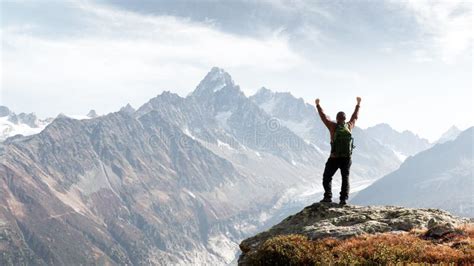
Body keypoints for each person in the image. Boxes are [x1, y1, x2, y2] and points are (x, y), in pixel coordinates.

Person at [315, 97, 361, 206]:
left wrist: (318, 105)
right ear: (345, 119)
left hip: (334, 157)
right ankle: (343, 200)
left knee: (327, 176)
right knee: (345, 178)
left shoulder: (332, 126)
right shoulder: (349, 126)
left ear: (337, 118)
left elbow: (323, 117)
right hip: (346, 158)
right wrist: (358, 104)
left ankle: (327, 197)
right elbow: (355, 116)